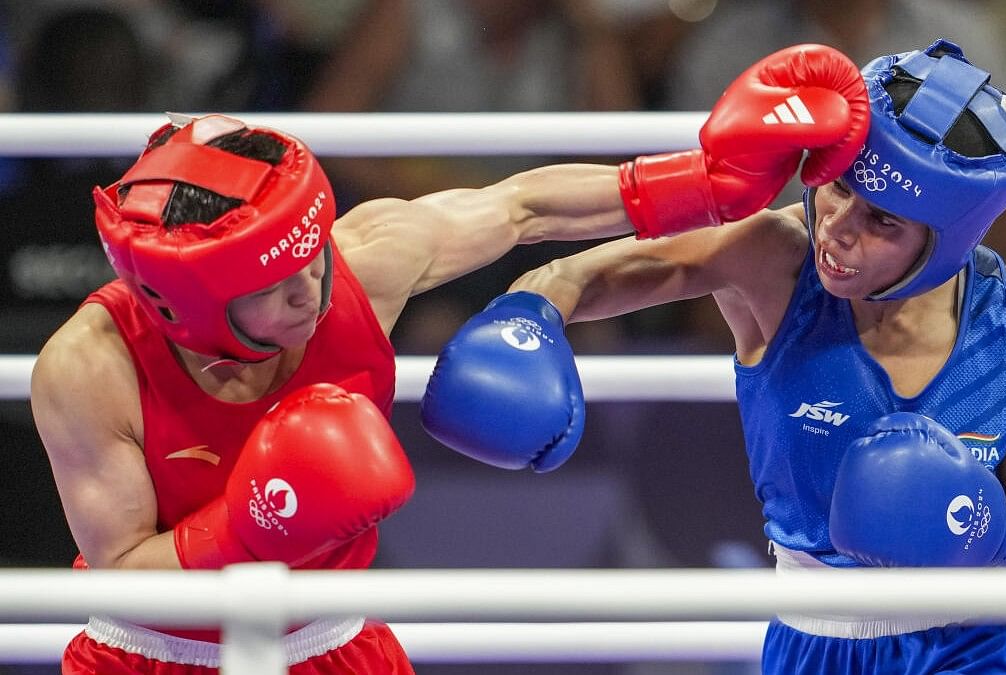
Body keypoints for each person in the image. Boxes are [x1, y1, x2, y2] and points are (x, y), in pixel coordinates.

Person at [29, 39, 870, 674]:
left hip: (331, 637)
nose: (311, 289)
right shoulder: (88, 369)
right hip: (153, 654)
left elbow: (522, 208)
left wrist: (708, 183)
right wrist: (251, 526)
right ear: (190, 302)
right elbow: (124, 571)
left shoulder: (360, 264)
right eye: (275, 284)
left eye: (312, 255)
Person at [423, 38, 1006, 673]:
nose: (838, 229)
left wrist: (988, 529)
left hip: (992, 645)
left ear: (947, 239)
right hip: (822, 641)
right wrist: (528, 314)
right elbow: (580, 275)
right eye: (838, 188)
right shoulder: (776, 260)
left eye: (882, 220)